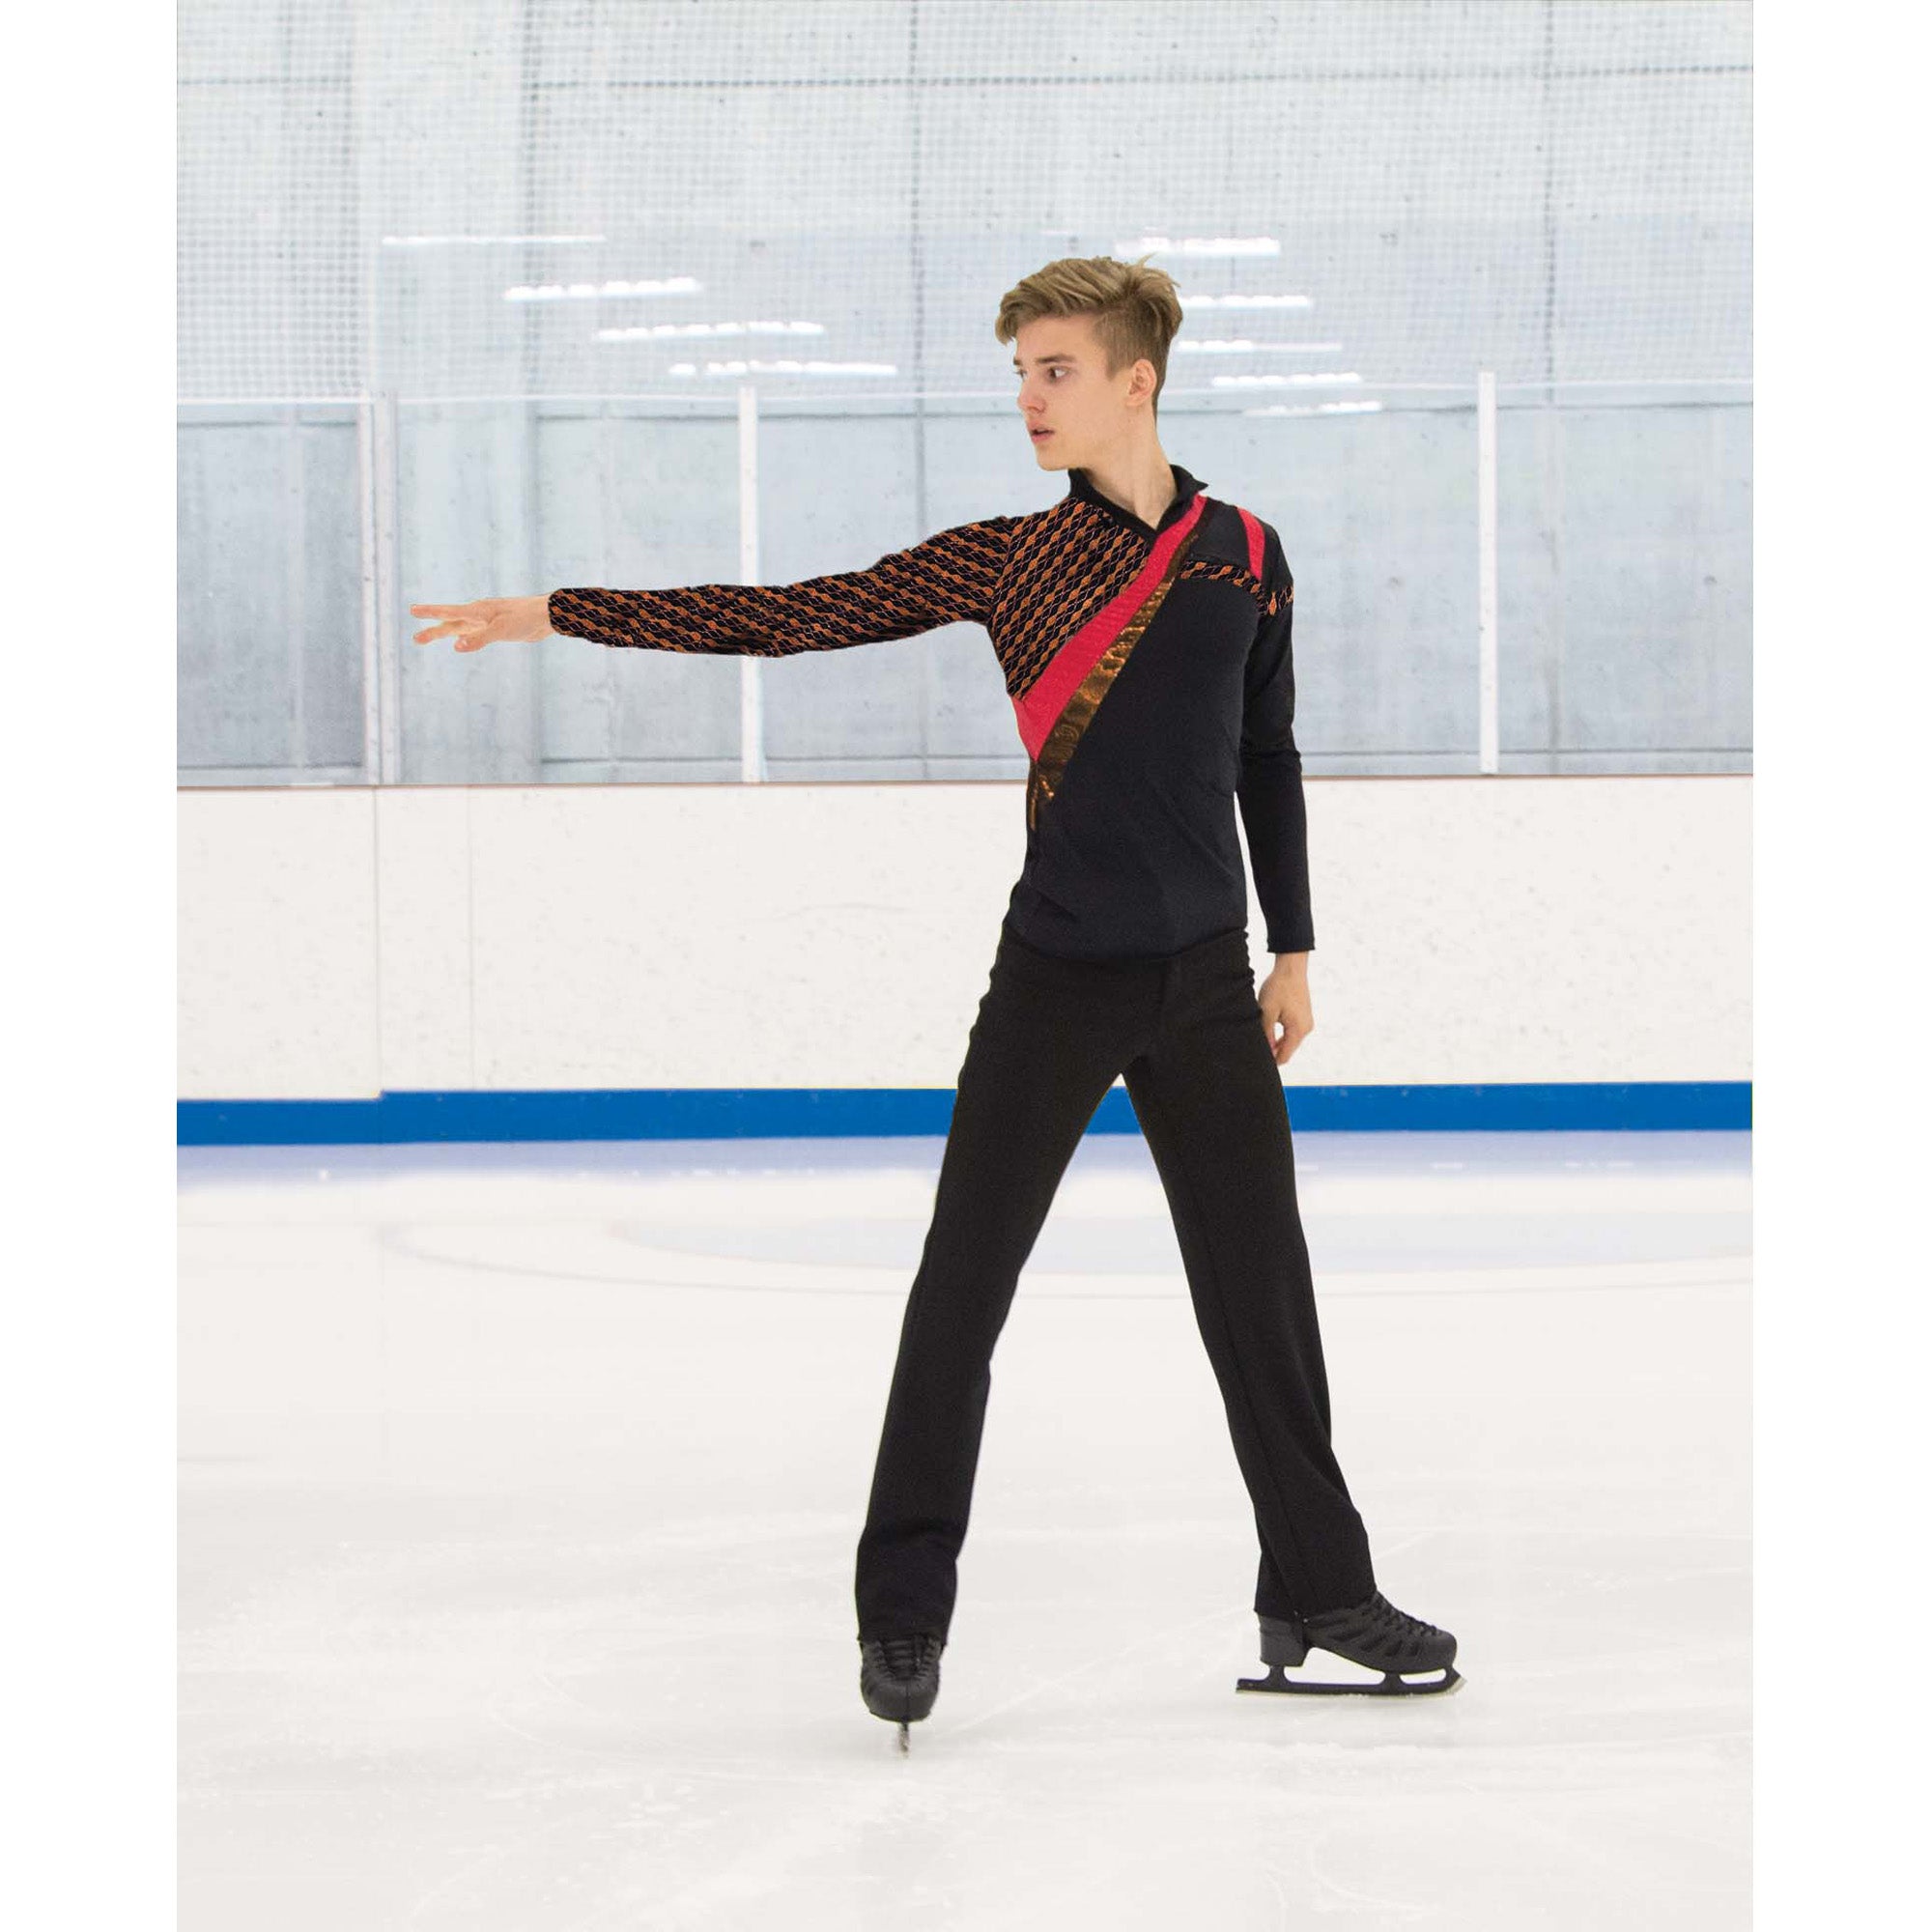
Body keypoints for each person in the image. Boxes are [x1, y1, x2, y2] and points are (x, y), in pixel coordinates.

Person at [411, 255, 1461, 1750]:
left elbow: (1264, 755)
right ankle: (902, 1611)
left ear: (1136, 380)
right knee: (959, 1292)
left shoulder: (1245, 555)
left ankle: (1320, 1588)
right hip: (1059, 978)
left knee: (1265, 1301)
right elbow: (793, 614)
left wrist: (1292, 948)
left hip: (1207, 985)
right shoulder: (1008, 562)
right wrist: (559, 612)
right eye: (1020, 371)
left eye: (1054, 370)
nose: (1027, 397)